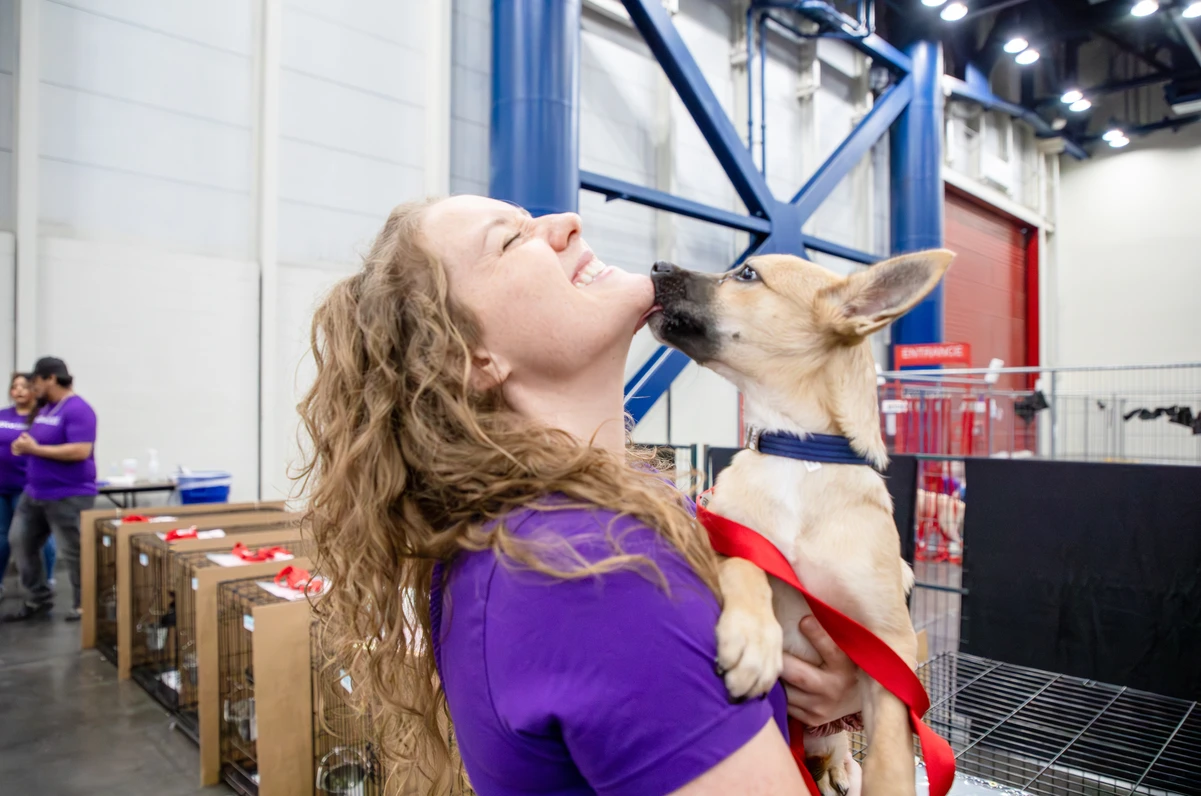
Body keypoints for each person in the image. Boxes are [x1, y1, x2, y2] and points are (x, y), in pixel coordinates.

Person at [298, 197, 864, 795]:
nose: (568, 223)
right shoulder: (593, 569)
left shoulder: (577, 519)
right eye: (512, 240)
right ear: (472, 358)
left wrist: (838, 699)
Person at [2, 358, 98, 622]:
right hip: (34, 493)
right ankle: (38, 599)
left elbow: (81, 450)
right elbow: (37, 440)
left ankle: (84, 605)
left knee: (74, 551)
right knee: (20, 542)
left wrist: (35, 449)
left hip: (68, 494)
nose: (33, 388)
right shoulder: (46, 409)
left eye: (36, 382)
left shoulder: (78, 409)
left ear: (51, 379)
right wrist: (23, 445)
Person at [0, 373, 56, 602]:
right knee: (2, 536)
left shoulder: (42, 417)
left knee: (36, 537)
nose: (19, 391)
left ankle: (46, 579)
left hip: (29, 487)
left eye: (25, 386)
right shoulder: (3, 415)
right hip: (2, 486)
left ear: (35, 390)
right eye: (15, 387)